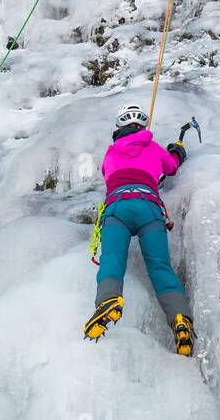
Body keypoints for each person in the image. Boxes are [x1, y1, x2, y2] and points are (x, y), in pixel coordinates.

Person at [84, 104, 196, 356]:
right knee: (160, 267)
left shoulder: (111, 153)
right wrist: (176, 152)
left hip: (118, 208)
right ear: (143, 126)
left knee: (112, 259)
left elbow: (107, 174)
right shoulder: (153, 148)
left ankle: (109, 300)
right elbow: (171, 168)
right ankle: (180, 317)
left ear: (120, 128)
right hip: (149, 208)